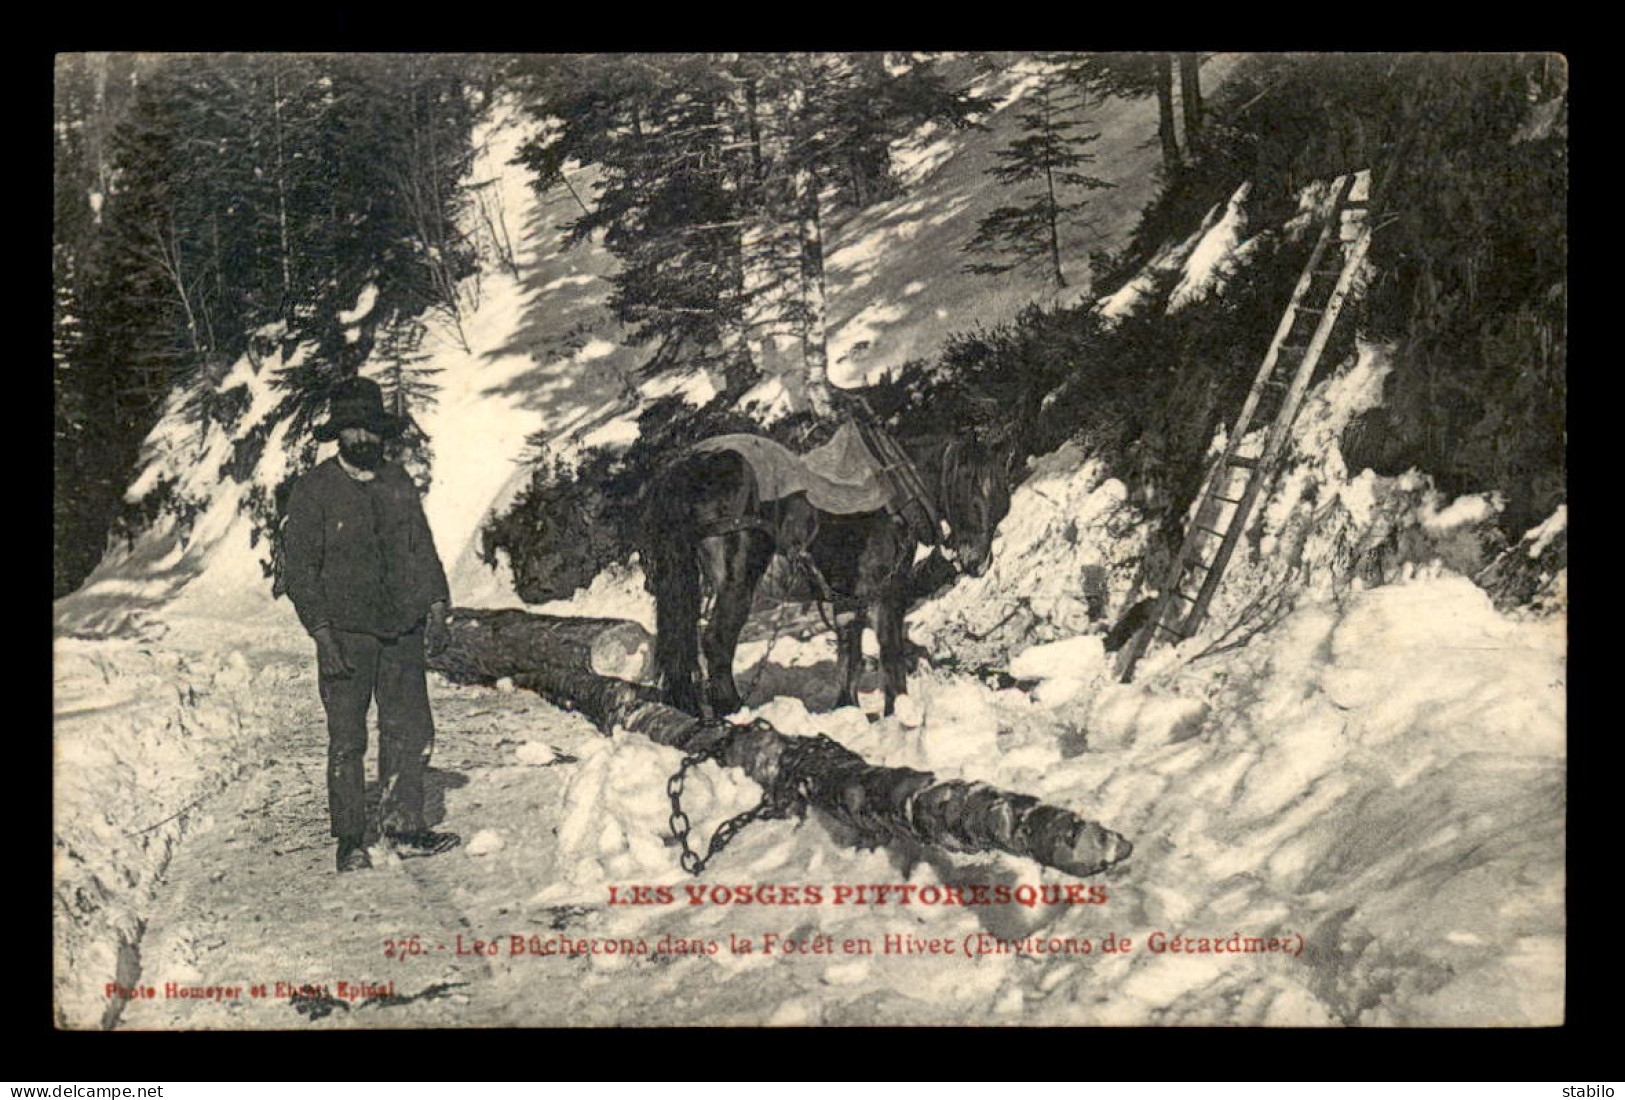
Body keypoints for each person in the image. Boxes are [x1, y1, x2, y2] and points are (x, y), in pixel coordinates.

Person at [281, 376, 459, 872]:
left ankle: (405, 827)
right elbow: (298, 570)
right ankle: (350, 839)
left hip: (401, 629)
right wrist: (321, 634)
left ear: (382, 434)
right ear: (339, 434)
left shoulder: (397, 481)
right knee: (347, 738)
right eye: (352, 430)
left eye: (370, 430)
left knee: (409, 728)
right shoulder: (314, 490)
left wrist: (438, 607)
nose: (363, 440)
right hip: (345, 635)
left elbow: (422, 548)